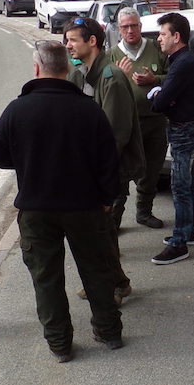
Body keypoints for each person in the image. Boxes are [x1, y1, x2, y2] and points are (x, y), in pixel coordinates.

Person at [0, 41, 124, 361]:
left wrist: (29, 159)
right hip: (86, 206)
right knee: (97, 271)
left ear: (37, 68)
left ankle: (60, 344)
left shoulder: (17, 109)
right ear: (66, 68)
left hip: (36, 208)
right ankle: (109, 332)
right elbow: (110, 161)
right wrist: (107, 198)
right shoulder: (88, 109)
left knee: (46, 279)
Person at [64, 16, 142, 305]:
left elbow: (114, 136)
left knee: (103, 229)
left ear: (92, 41)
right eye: (67, 40)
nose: (68, 46)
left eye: (73, 40)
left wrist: (95, 175)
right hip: (92, 169)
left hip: (109, 170)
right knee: (100, 230)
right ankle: (114, 281)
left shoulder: (112, 78)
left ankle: (113, 285)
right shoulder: (81, 74)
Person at [138, 12, 194, 265]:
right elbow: (168, 97)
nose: (159, 39)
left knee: (181, 187)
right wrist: (165, 95)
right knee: (189, 181)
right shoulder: (181, 61)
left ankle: (179, 243)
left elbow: (160, 103)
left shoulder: (182, 63)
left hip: (183, 130)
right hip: (187, 127)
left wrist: (160, 96)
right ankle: (192, 230)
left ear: (176, 37)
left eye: (162, 34)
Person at [113, 6, 168, 229]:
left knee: (152, 170)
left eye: (134, 26)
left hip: (154, 121)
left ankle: (144, 212)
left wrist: (155, 80)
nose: (130, 30)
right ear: (119, 29)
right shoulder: (112, 54)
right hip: (126, 123)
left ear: (140, 26)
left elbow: (172, 77)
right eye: (125, 27)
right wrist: (119, 76)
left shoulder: (155, 48)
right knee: (121, 171)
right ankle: (114, 219)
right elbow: (103, 87)